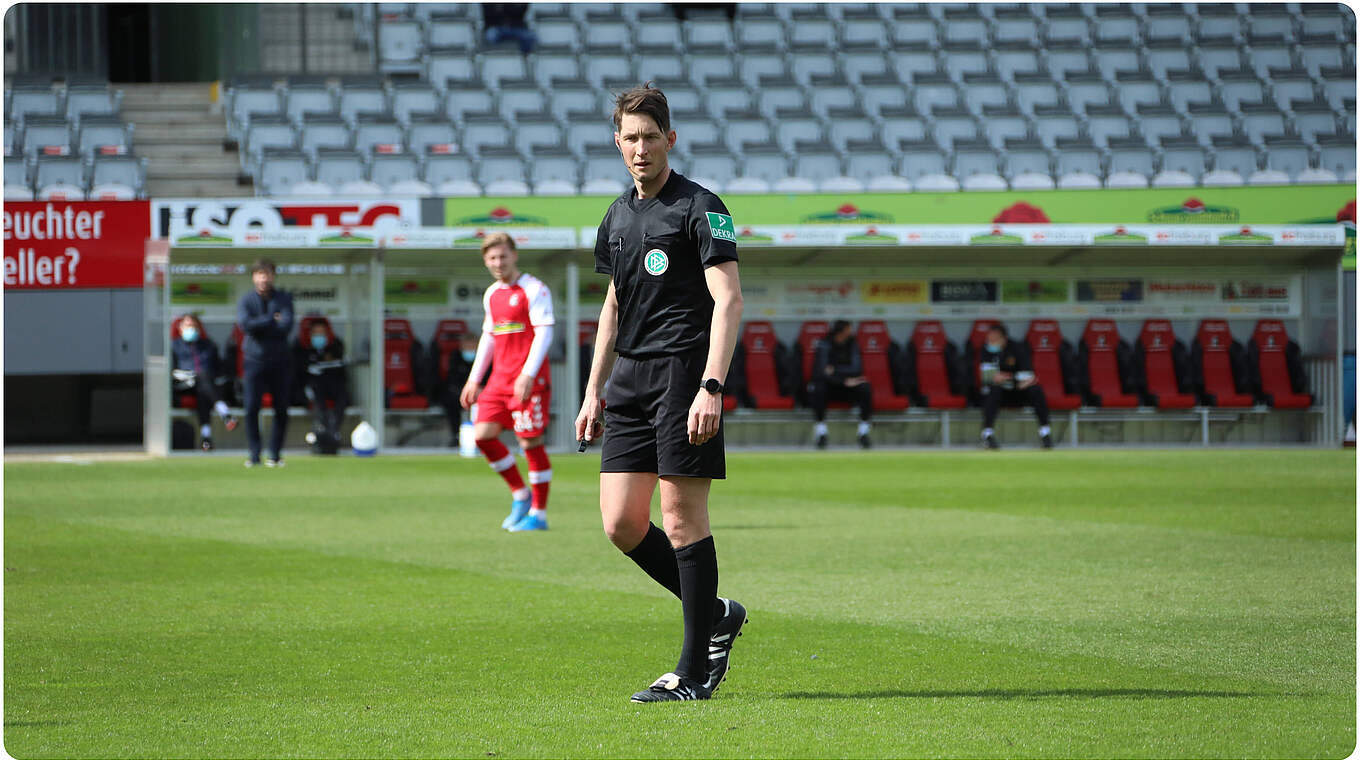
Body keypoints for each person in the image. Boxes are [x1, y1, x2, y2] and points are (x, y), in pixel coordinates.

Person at [576, 82, 747, 703]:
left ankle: (694, 672)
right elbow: (614, 305)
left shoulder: (702, 206)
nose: (640, 148)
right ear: (616, 143)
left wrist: (711, 386)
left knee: (681, 519)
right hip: (628, 381)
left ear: (670, 139)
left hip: (683, 375)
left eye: (651, 137)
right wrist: (593, 390)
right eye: (630, 138)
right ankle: (719, 616)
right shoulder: (616, 216)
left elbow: (728, 300)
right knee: (622, 524)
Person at [459, 232, 555, 532]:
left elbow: (544, 332)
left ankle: (538, 514)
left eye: (502, 256)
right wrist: (475, 379)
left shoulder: (534, 288)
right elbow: (489, 337)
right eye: (491, 258)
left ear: (514, 255)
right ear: (485, 261)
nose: (498, 262)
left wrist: (528, 373)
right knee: (483, 436)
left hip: (528, 379)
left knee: (529, 442)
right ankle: (520, 494)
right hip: (498, 380)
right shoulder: (492, 294)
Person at [237, 258, 295, 467]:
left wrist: (260, 324)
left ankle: (275, 455)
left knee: (281, 409)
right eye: (260, 274)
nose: (264, 278)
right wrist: (271, 319)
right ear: (254, 277)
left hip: (280, 362)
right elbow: (245, 325)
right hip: (254, 362)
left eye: (267, 274)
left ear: (273, 276)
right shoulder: (246, 301)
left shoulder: (284, 299)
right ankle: (254, 455)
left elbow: (286, 326)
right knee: (251, 408)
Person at [979, 323, 1053, 449]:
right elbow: (988, 377)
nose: (991, 342)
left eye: (994, 339)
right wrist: (1010, 377)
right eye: (989, 339)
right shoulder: (986, 350)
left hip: (1020, 392)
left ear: (1004, 338)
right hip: (1001, 393)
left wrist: (1009, 377)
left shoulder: (1018, 348)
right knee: (992, 391)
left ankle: (1045, 433)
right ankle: (987, 435)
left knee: (1036, 390)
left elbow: (1028, 376)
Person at [170, 314, 237, 451]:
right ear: (180, 328)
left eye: (194, 326)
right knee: (203, 379)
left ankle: (206, 438)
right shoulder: (174, 346)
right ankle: (225, 413)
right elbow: (172, 371)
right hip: (183, 384)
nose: (191, 329)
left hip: (205, 385)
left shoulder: (208, 345)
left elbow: (219, 368)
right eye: (188, 326)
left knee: (203, 390)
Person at [808, 319, 873, 450]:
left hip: (849, 386)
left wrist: (835, 370)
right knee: (818, 388)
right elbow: (822, 372)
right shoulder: (824, 344)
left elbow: (857, 368)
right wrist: (844, 380)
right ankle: (821, 433)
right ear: (841, 331)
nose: (851, 332)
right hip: (831, 386)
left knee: (865, 387)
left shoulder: (853, 344)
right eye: (848, 329)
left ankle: (863, 432)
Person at [299, 321, 349, 452]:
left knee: (342, 394)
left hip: (332, 386)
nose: (319, 336)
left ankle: (333, 431)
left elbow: (341, 372)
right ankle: (323, 432)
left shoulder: (335, 347)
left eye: (322, 333)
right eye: (316, 333)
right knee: (317, 395)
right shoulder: (302, 349)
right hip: (313, 387)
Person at [436, 333, 476, 447]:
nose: (469, 348)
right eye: (467, 345)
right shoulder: (455, 357)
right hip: (458, 392)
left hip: (478, 392)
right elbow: (453, 378)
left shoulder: (482, 358)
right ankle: (456, 435)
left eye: (472, 345)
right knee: (451, 402)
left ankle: (480, 437)